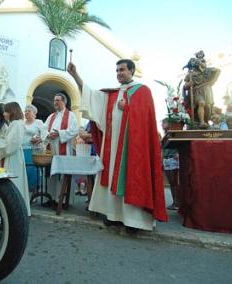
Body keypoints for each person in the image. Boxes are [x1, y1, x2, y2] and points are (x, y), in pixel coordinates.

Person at [68, 59, 168, 231]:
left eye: (122, 70)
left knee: (133, 178)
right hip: (113, 147)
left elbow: (146, 120)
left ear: (132, 71)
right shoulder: (112, 94)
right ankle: (114, 216)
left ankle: (134, 221)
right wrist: (75, 75)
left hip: (133, 148)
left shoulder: (142, 91)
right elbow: (90, 95)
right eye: (117, 70)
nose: (119, 73)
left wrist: (128, 107)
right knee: (112, 176)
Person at [0, 102, 31, 216]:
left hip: (12, 157)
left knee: (13, 183)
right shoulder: (15, 124)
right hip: (14, 156)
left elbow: (11, 145)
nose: (4, 114)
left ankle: (15, 210)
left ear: (12, 112)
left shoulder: (16, 125)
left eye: (6, 111)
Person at [44, 93, 78, 204]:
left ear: (64, 102)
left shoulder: (71, 115)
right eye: (54, 100)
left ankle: (62, 200)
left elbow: (74, 130)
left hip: (64, 148)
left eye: (58, 100)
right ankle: (51, 198)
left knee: (62, 174)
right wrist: (48, 134)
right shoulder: (51, 116)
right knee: (52, 174)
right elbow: (43, 129)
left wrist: (59, 134)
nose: (55, 103)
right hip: (52, 148)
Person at [183, 53, 221, 129]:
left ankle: (205, 121)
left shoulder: (208, 71)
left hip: (207, 90)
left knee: (207, 107)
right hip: (196, 91)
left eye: (202, 62)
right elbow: (185, 86)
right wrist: (188, 84)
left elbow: (218, 70)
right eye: (198, 62)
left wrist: (213, 81)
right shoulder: (191, 74)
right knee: (201, 103)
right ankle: (202, 122)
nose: (201, 64)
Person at [22, 104, 47, 193]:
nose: (26, 112)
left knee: (32, 170)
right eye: (25, 111)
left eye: (29, 111)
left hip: (34, 150)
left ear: (34, 113)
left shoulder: (38, 122)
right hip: (23, 149)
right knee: (24, 170)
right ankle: (25, 190)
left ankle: (34, 190)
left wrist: (39, 139)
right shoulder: (22, 123)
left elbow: (44, 134)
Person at [161, 118, 180, 210]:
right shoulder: (165, 135)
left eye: (164, 123)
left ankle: (177, 202)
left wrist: (177, 153)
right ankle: (174, 202)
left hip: (172, 158)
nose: (162, 125)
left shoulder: (173, 133)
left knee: (174, 181)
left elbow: (177, 145)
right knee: (171, 182)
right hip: (166, 158)